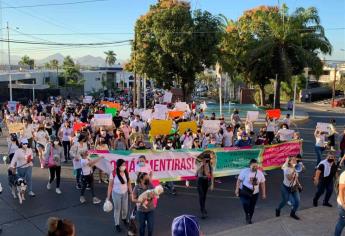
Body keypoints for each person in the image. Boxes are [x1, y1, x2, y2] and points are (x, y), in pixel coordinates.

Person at [236, 159, 266, 224]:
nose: (255, 168)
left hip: (254, 193)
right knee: (245, 203)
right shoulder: (244, 171)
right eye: (253, 166)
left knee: (252, 207)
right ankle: (247, 214)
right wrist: (236, 190)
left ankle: (249, 218)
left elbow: (263, 183)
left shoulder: (260, 173)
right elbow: (239, 180)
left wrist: (264, 193)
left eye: (256, 166)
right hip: (244, 191)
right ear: (249, 165)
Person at [106, 159, 133, 233]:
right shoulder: (113, 173)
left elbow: (129, 183)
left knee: (125, 208)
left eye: (125, 165)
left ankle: (124, 219)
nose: (124, 166)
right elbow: (110, 185)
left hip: (125, 193)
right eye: (122, 165)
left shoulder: (126, 172)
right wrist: (108, 197)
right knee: (117, 209)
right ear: (118, 166)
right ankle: (117, 224)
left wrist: (131, 193)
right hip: (116, 194)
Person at [275, 156, 302, 220]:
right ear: (289, 162)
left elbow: (296, 177)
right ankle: (278, 209)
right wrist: (294, 170)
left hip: (294, 187)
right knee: (285, 200)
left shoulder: (296, 167)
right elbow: (289, 178)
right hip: (286, 188)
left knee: (297, 201)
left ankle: (292, 213)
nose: (295, 161)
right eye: (293, 160)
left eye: (295, 159)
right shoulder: (287, 168)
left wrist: (299, 185)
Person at [196, 152, 214, 219]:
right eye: (205, 159)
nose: (206, 161)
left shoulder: (210, 165)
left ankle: (203, 207)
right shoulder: (199, 164)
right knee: (201, 195)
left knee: (204, 196)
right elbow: (195, 172)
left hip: (206, 181)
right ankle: (202, 210)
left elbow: (212, 175)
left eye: (208, 160)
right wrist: (201, 165)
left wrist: (212, 184)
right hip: (199, 180)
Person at [335, 170, 345, 236]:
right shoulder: (344, 175)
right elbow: (341, 191)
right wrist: (344, 205)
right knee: (342, 222)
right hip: (343, 204)